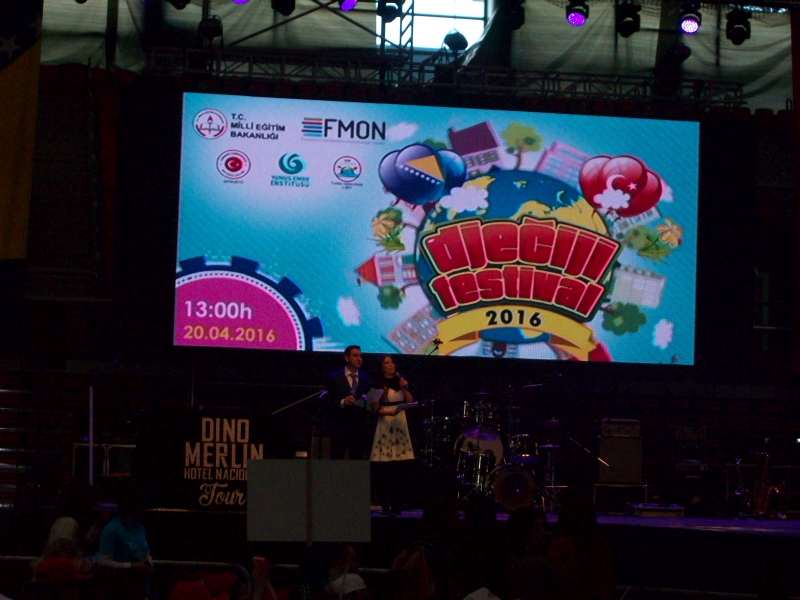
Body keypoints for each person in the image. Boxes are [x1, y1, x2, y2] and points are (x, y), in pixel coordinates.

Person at [369, 355, 415, 514]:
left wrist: (404, 388)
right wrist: (382, 394)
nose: (390, 365)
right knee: (384, 467)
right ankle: (385, 503)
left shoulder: (400, 381)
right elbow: (374, 406)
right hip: (385, 422)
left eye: (392, 362)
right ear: (382, 366)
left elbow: (410, 401)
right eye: (386, 363)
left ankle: (397, 503)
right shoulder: (377, 383)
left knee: (399, 468)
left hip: (400, 423)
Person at [327, 345, 371, 459]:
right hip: (339, 427)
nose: (359, 359)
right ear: (347, 358)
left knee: (356, 462)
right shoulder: (334, 377)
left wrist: (368, 402)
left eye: (360, 356)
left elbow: (369, 399)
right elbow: (328, 401)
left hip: (359, 429)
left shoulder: (366, 378)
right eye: (355, 356)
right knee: (337, 461)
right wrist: (343, 401)